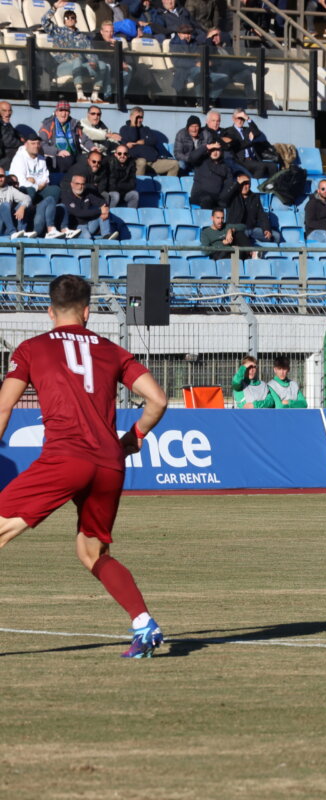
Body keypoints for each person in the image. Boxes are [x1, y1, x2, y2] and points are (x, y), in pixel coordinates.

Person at [0, 275, 168, 656]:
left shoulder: (30, 348)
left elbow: (4, 406)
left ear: (49, 311)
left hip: (64, 458)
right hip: (109, 463)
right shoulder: (110, 349)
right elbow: (157, 400)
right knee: (92, 553)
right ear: (88, 311)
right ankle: (144, 624)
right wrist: (133, 438)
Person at [10, 139, 66, 238]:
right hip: (24, 191)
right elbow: (21, 181)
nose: (36, 146)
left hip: (39, 189)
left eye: (38, 143)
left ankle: (46, 217)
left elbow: (46, 179)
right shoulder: (19, 158)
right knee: (29, 190)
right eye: (33, 143)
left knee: (55, 190)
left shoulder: (41, 158)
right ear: (26, 144)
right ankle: (23, 226)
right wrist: (36, 185)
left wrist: (34, 182)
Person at [226, 174, 276, 245]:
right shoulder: (232, 196)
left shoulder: (255, 197)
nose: (244, 187)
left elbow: (261, 215)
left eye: (247, 184)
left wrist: (266, 229)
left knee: (276, 236)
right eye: (242, 184)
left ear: (250, 185)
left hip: (252, 229)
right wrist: (236, 184)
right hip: (238, 230)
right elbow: (223, 198)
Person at [190, 143, 233, 209]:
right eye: (212, 150)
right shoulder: (201, 161)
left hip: (216, 197)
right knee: (207, 199)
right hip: (199, 195)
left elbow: (228, 184)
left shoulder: (226, 167)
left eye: (217, 150)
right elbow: (192, 157)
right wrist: (207, 146)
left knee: (227, 203)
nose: (215, 152)